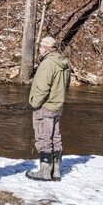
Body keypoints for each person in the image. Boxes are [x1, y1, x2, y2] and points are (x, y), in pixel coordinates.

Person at [26, 36, 71, 181]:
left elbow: (42, 88)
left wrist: (34, 103)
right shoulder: (63, 63)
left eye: (40, 47)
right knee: (55, 136)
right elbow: (67, 85)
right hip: (57, 105)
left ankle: (45, 172)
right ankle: (56, 171)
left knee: (43, 137)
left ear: (45, 49)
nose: (39, 49)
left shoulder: (47, 64)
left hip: (45, 106)